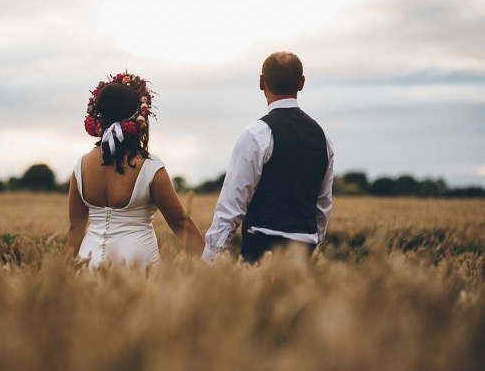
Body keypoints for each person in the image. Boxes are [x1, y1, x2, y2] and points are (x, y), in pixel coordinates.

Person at [202, 51, 334, 264]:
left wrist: (209, 260)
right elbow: (323, 205)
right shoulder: (323, 138)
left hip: (261, 252)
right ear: (301, 83)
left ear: (261, 82)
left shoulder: (256, 134)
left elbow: (231, 207)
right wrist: (312, 249)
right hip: (305, 255)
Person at [68, 71, 205, 269]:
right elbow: (179, 223)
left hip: (87, 264)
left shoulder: (80, 166)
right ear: (141, 115)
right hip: (137, 268)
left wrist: (66, 275)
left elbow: (75, 228)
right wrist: (212, 261)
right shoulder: (151, 168)